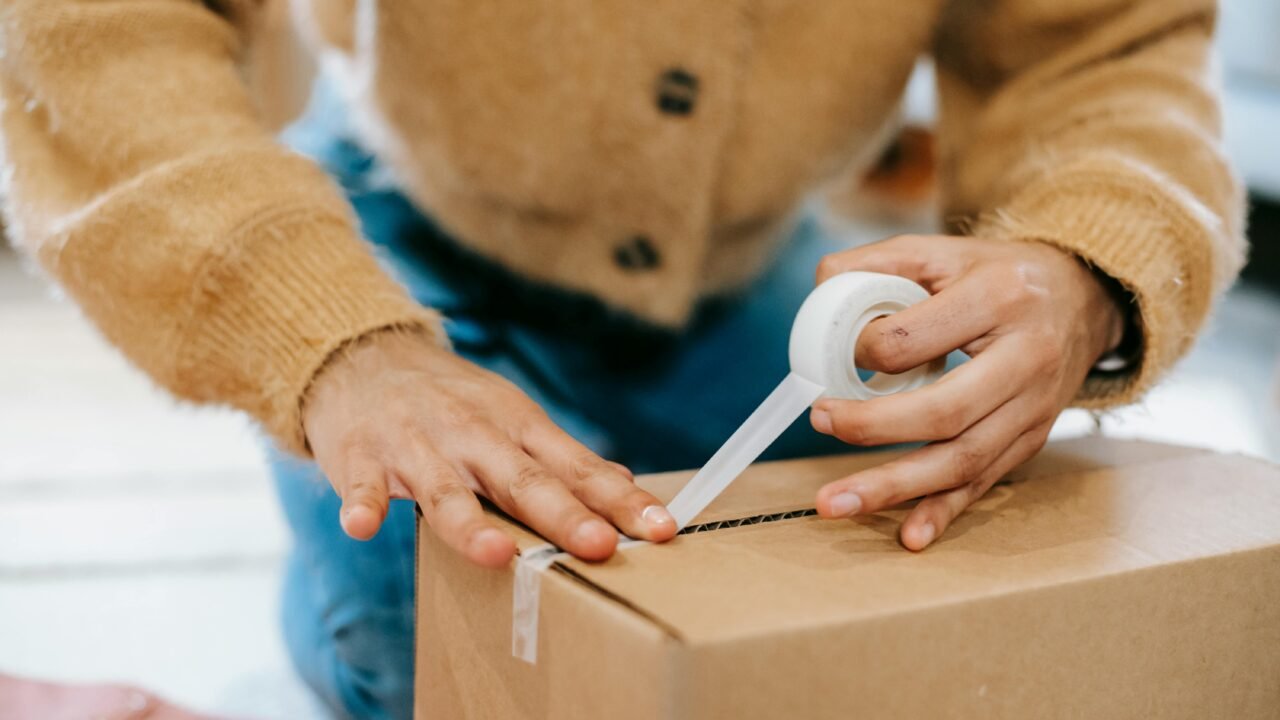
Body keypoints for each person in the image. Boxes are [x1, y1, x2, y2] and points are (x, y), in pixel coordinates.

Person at [0, 1, 1245, 717]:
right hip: (392, 228)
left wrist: (1087, 262)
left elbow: (1105, 45)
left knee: (874, 630)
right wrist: (325, 337)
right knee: (426, 657)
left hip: (752, 267)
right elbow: (93, 28)